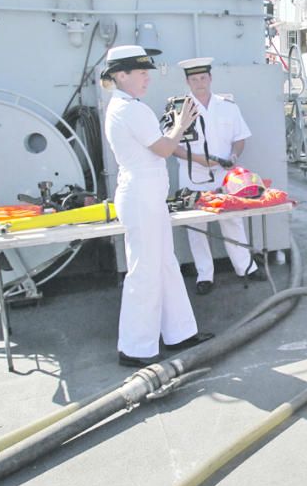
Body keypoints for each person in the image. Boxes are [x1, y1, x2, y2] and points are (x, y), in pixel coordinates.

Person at [101, 45, 213, 367]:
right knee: (145, 270)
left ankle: (180, 332)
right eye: (141, 72)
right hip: (142, 197)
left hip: (146, 195)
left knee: (164, 263)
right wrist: (181, 124)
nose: (147, 77)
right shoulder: (130, 109)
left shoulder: (126, 106)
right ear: (121, 75)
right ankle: (135, 347)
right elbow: (164, 149)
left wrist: (171, 129)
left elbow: (153, 146)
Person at [174, 57, 264, 295]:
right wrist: (200, 160)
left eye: (203, 78)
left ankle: (245, 266)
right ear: (187, 82)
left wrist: (234, 156)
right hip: (193, 175)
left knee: (232, 219)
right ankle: (205, 275)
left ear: (210, 78)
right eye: (194, 79)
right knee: (196, 225)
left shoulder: (228, 106)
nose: (199, 83)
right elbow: (172, 145)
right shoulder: (178, 110)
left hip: (224, 175)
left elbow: (240, 138)